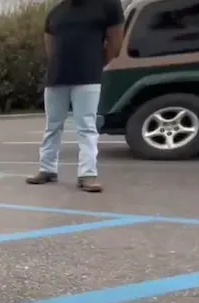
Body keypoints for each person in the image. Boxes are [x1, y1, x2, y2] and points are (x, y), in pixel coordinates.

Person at [26, 0, 125, 193]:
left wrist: (96, 64)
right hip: (56, 78)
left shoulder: (108, 5)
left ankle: (88, 174)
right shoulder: (56, 12)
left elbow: (116, 43)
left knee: (86, 126)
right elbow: (50, 46)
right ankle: (47, 169)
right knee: (52, 125)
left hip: (87, 78)